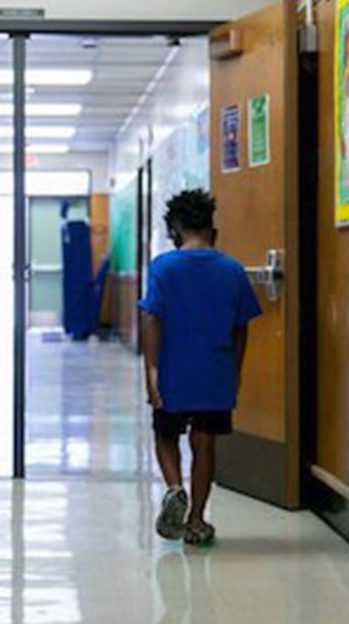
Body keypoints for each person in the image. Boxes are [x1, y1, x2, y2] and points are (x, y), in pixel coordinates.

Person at [138, 189, 262, 545]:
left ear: (175, 229)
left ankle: (176, 487)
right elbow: (241, 328)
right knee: (204, 442)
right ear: (212, 228)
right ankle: (195, 521)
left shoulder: (164, 266)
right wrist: (234, 371)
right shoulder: (232, 270)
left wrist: (152, 371)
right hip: (216, 371)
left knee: (166, 435)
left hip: (173, 371)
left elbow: (151, 318)